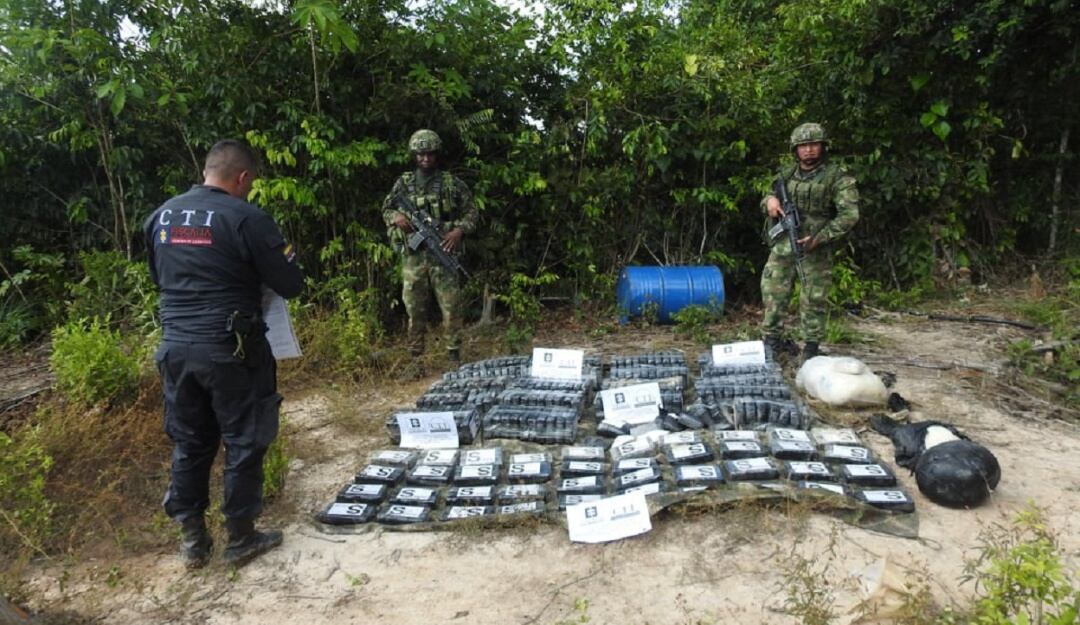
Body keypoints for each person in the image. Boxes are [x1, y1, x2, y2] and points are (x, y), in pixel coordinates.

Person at [144, 139, 304, 569]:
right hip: (231, 349)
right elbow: (290, 283)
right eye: (249, 184)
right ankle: (240, 537)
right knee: (245, 439)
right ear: (243, 178)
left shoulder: (160, 216)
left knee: (191, 442)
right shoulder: (246, 217)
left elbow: (160, 277)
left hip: (175, 348)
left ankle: (193, 540)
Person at [760, 123, 859, 361]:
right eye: (803, 146)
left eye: (814, 144)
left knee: (814, 297)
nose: (809, 150)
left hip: (814, 247)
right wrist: (770, 202)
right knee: (773, 291)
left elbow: (849, 215)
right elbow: (767, 195)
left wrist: (820, 238)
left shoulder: (837, 177)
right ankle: (771, 342)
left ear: (823, 146)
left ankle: (811, 350)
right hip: (784, 243)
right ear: (796, 149)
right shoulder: (786, 174)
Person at [382, 129, 478, 372]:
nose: (425, 158)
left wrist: (458, 231)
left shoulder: (450, 184)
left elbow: (472, 212)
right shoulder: (404, 183)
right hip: (414, 258)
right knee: (414, 308)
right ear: (415, 155)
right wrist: (397, 217)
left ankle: (454, 358)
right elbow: (386, 209)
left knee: (452, 307)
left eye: (429, 154)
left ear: (436, 154)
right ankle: (416, 361)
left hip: (443, 253)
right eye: (421, 154)